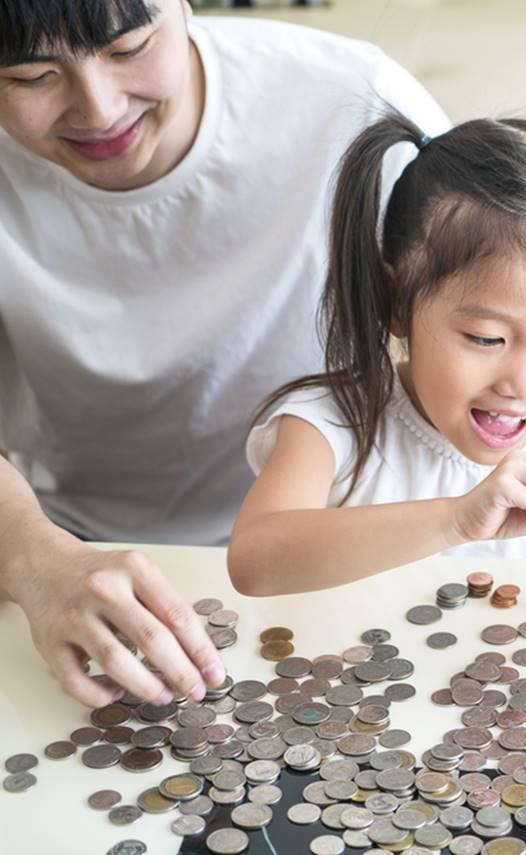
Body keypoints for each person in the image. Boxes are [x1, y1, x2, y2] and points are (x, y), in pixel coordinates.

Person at [0, 0, 448, 706]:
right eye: (31, 76)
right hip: (68, 545)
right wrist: (33, 558)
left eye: (129, 49)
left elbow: (515, 328)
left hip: (347, 542)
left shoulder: (354, 105)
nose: (99, 109)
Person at [227, 110, 526, 595]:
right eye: (487, 338)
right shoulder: (331, 426)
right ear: (397, 304)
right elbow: (255, 562)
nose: (525, 383)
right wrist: (456, 519)